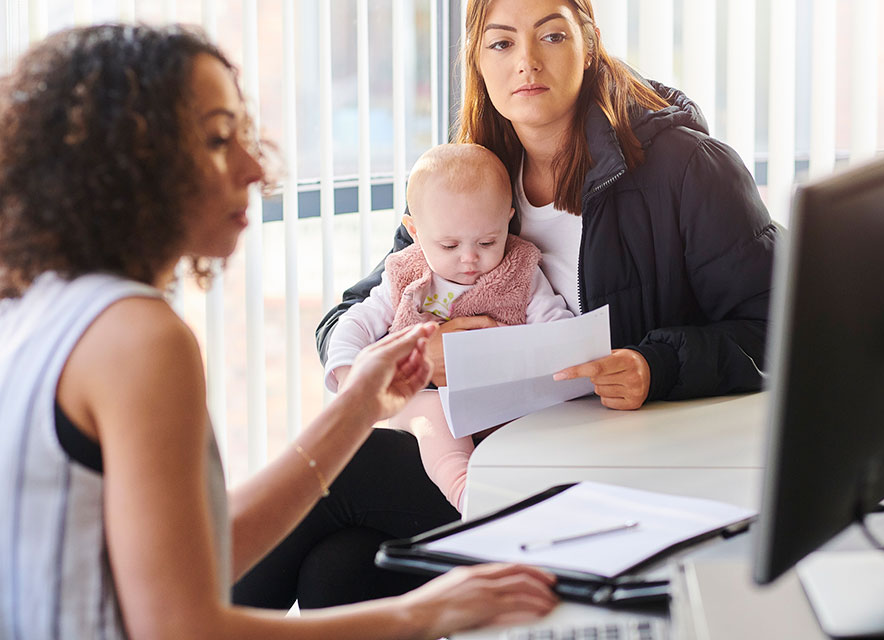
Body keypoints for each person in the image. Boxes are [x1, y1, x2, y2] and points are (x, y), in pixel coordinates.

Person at [0, 24, 558, 639]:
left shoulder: (41, 307)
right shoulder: (137, 339)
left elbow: (195, 554)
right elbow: (180, 629)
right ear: (130, 167)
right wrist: (427, 613)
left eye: (243, 132)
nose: (256, 164)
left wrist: (364, 402)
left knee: (340, 569)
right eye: (218, 139)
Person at [241, 0, 777, 609]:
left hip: (612, 474)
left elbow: (783, 329)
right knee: (340, 569)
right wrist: (420, 352)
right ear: (477, 60)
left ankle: (176, 619)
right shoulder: (474, 174)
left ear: (588, 41)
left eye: (551, 35)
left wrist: (658, 365)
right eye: (501, 44)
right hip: (495, 454)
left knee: (348, 470)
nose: (526, 62)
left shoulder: (685, 169)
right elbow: (357, 311)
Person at [325, 143, 574, 512]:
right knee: (433, 416)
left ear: (508, 219)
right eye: (449, 244)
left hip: (502, 403)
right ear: (414, 230)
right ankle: (465, 492)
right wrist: (350, 377)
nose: (470, 258)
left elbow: (555, 328)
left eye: (487, 241)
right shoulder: (406, 273)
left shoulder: (521, 270)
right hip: (424, 400)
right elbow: (355, 322)